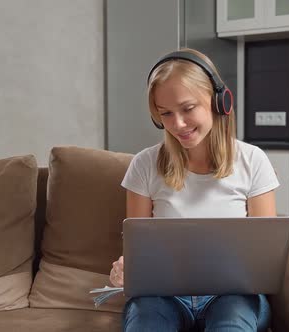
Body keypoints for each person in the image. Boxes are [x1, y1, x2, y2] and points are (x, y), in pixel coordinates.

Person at [109, 48, 279, 332]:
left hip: (233, 297)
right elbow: (137, 249)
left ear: (218, 101)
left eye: (188, 108)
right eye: (166, 114)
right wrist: (127, 270)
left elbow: (265, 259)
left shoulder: (253, 161)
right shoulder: (144, 165)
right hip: (160, 296)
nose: (178, 124)